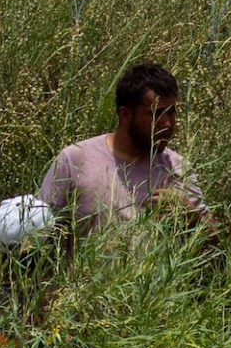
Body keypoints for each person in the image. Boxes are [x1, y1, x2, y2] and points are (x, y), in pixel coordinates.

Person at [34, 61, 213, 250]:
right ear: (125, 115)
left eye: (172, 112)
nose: (168, 123)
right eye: (157, 114)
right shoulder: (76, 159)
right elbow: (38, 236)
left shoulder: (176, 168)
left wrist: (191, 216)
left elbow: (215, 253)